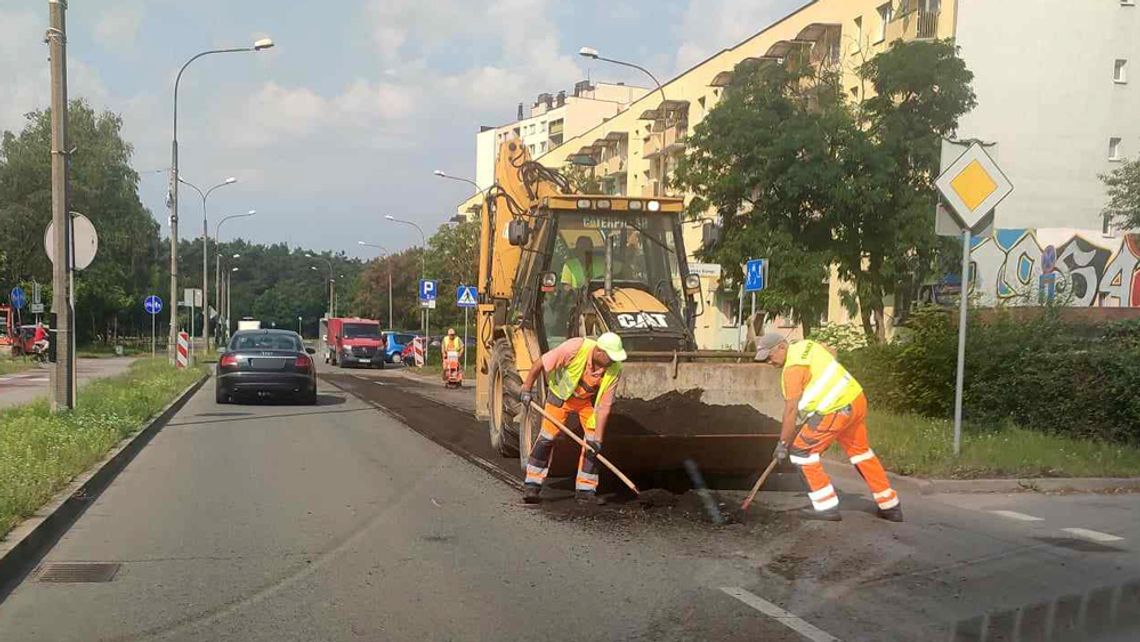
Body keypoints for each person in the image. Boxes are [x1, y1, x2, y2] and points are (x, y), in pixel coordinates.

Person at [754, 333, 902, 522]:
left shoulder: (791, 370)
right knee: (861, 453)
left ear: (782, 347)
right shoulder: (807, 345)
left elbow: (790, 410)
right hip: (855, 399)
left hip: (835, 410)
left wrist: (783, 443)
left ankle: (826, 507)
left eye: (770, 356)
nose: (768, 361)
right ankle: (890, 505)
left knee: (801, 453)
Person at [518, 332, 627, 505]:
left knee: (592, 443)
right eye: (611, 357)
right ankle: (532, 484)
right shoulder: (574, 348)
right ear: (599, 352)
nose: (614, 361)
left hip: (586, 401)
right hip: (560, 396)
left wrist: (598, 439)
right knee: (547, 437)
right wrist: (526, 388)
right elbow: (540, 363)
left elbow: (605, 406)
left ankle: (585, 491)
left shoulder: (614, 368)